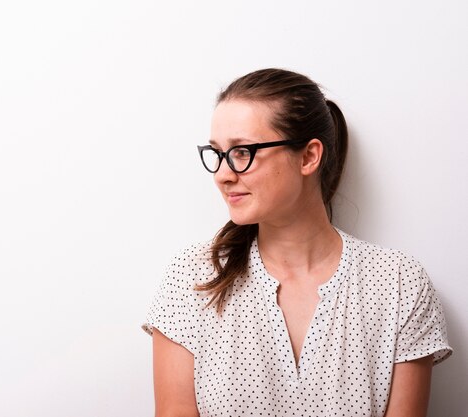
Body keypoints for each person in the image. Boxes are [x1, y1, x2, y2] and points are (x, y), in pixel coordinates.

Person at [142, 68, 452, 417]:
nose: (223, 174)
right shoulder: (192, 279)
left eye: (242, 152)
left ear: (308, 157)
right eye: (216, 153)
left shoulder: (398, 283)